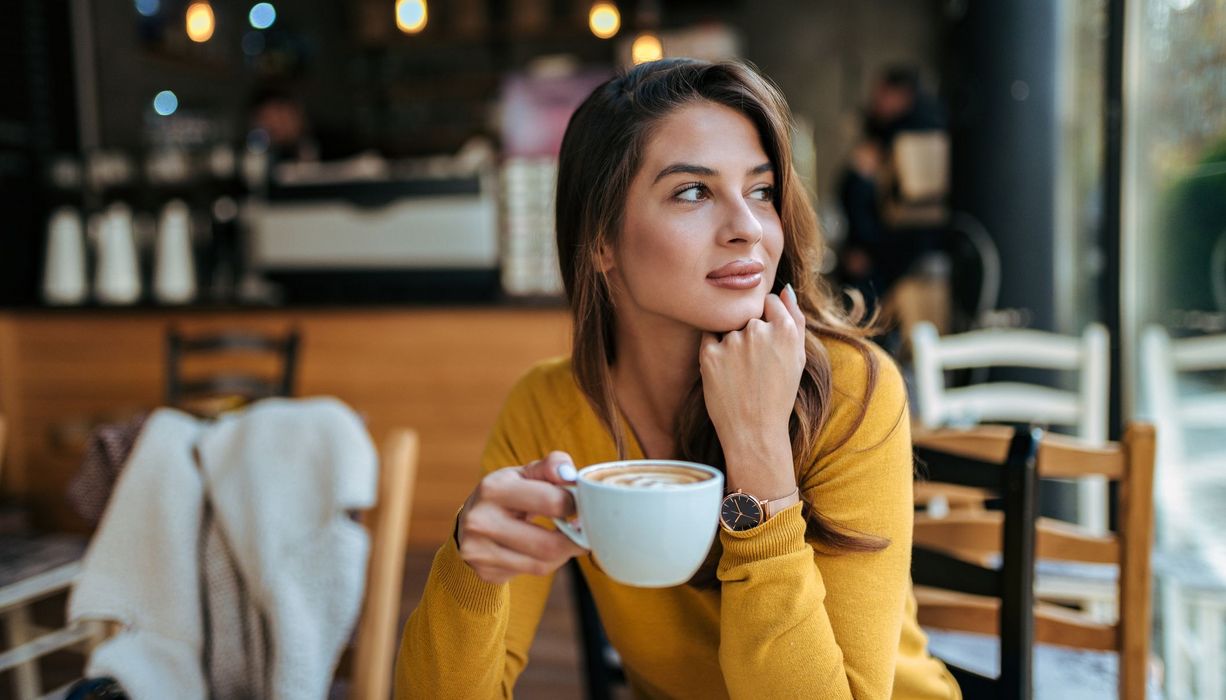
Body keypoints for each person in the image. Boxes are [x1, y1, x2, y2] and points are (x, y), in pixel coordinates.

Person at [396, 58, 959, 699]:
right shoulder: (552, 406)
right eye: (692, 192)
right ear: (601, 239)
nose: (747, 227)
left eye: (762, 190)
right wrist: (470, 569)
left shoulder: (853, 391)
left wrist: (758, 452)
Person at [837, 65, 947, 312]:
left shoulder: (912, 135)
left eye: (882, 94)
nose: (876, 101)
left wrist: (865, 248)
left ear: (902, 95)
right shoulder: (887, 134)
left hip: (892, 251)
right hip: (882, 248)